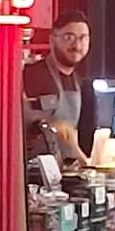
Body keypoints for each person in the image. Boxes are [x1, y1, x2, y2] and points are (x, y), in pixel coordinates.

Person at [22, 17, 92, 162]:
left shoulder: (80, 83)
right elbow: (19, 124)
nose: (77, 45)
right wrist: (51, 127)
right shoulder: (32, 75)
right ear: (52, 40)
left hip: (67, 168)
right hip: (35, 168)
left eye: (83, 38)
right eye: (69, 37)